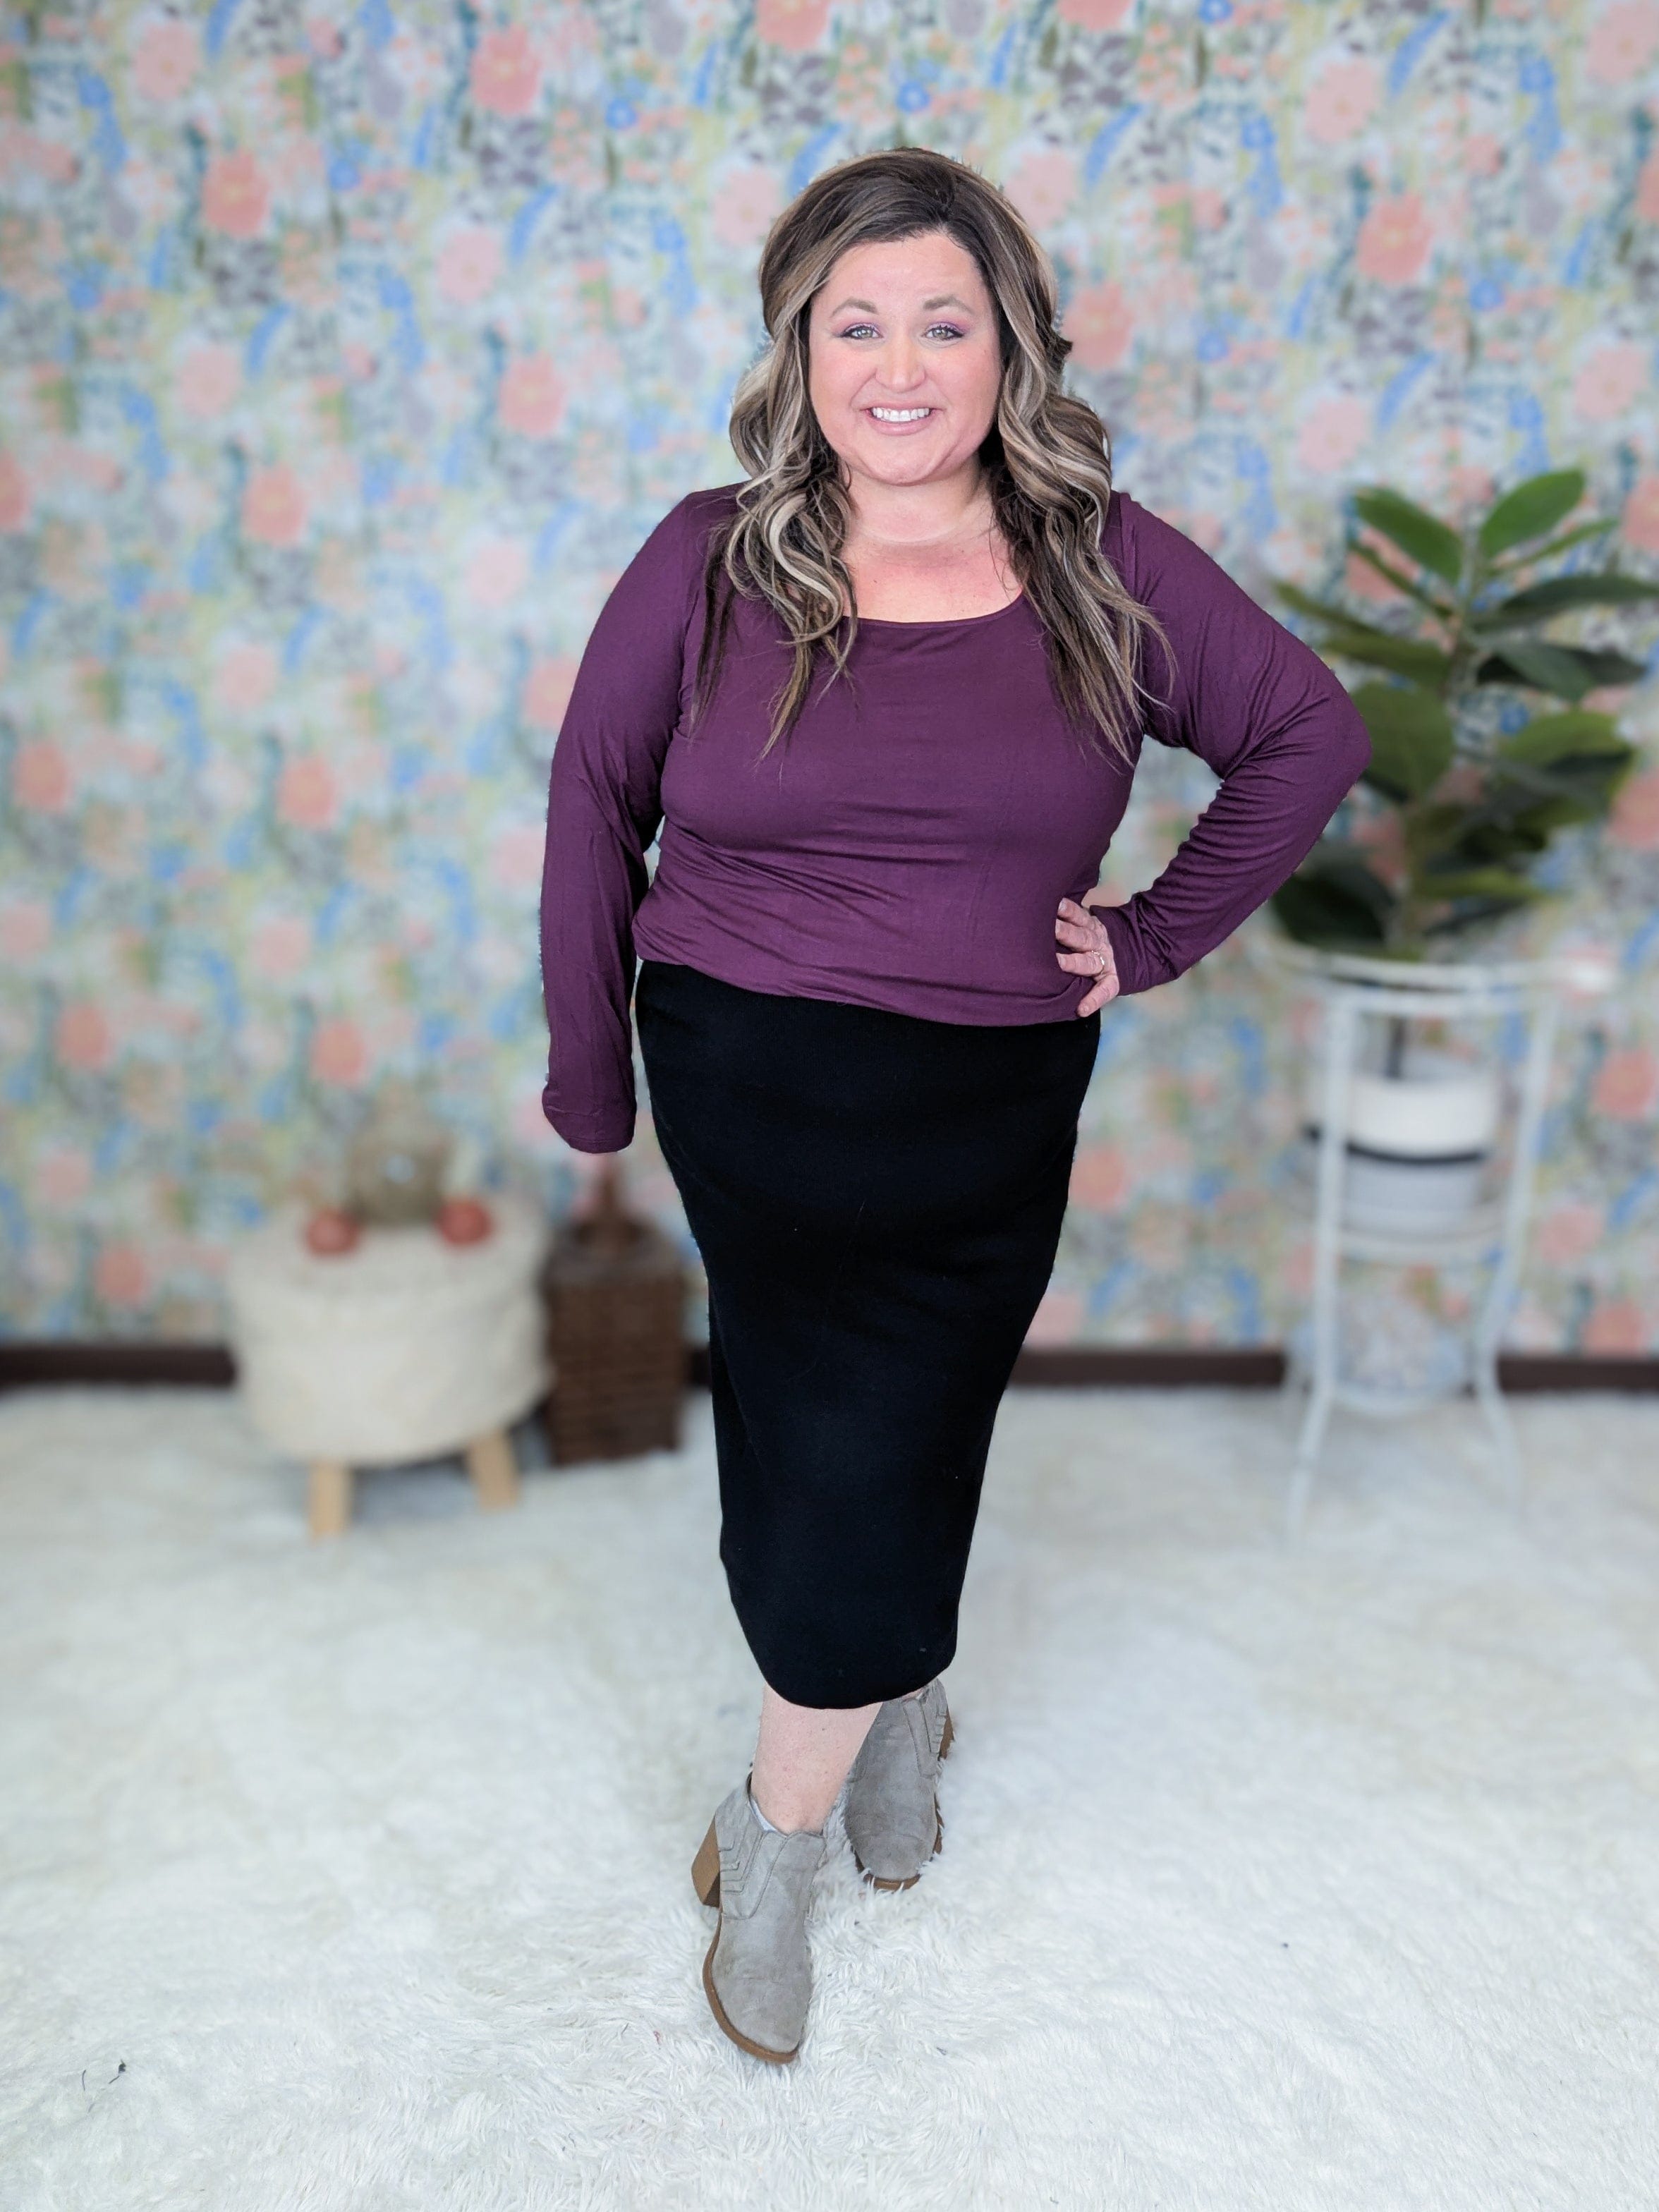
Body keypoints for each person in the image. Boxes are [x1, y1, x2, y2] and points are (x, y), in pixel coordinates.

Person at [539, 147, 1368, 2065]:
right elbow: (595, 800)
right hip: (750, 1078)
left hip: (988, 1093)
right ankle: (794, 1827)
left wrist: (1152, 937)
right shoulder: (708, 559)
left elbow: (1305, 731)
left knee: (915, 1414)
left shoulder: (1105, 565)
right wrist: (591, 1077)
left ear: (1011, 350)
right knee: (823, 1429)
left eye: (943, 323)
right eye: (856, 326)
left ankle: (872, 1728)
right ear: (799, 350)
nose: (898, 368)